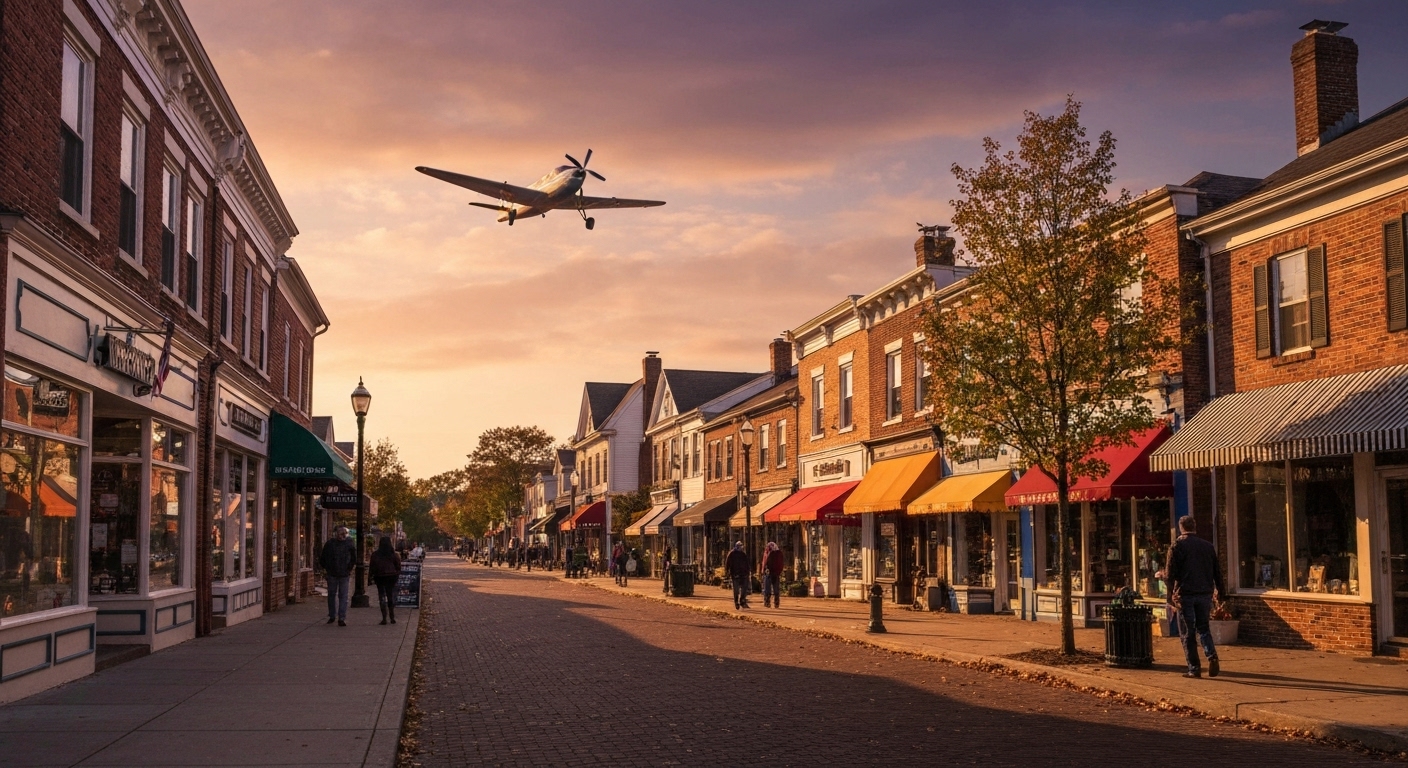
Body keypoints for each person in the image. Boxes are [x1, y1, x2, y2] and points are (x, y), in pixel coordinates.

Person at [1167, 515, 1226, 679]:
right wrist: (1221, 591)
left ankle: (1194, 668)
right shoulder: (1208, 547)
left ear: (1181, 527)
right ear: (1195, 527)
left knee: (1187, 632)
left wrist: (1170, 596)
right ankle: (1211, 655)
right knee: (1204, 628)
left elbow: (1170, 574)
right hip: (1204, 594)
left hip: (1185, 594)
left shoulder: (1177, 546)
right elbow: (1217, 572)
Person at [320, 526, 356, 626]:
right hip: (333, 573)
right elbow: (323, 557)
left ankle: (341, 617)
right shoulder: (330, 544)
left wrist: (349, 568)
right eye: (341, 533)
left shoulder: (349, 544)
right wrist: (327, 568)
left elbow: (353, 558)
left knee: (343, 596)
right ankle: (332, 615)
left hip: (344, 573)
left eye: (344, 533)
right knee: (332, 594)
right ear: (336, 534)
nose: (342, 536)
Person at [369, 536, 403, 625]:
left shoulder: (375, 555)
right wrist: (396, 574)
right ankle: (392, 616)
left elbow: (372, 567)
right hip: (391, 576)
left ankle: (384, 617)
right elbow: (398, 566)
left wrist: (371, 577)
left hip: (379, 577)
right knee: (390, 595)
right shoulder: (394, 554)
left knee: (382, 596)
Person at [726, 541, 751, 609]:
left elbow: (747, 564)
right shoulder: (731, 554)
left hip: (743, 574)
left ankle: (742, 601)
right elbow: (727, 563)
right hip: (735, 574)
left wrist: (748, 572)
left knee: (744, 589)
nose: (740, 548)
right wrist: (727, 572)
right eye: (739, 546)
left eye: (741, 546)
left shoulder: (743, 554)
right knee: (736, 590)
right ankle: (736, 602)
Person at [761, 541, 784, 608]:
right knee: (776, 588)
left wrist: (763, 570)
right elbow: (781, 564)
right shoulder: (779, 553)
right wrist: (779, 571)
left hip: (769, 573)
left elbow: (765, 562)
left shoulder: (768, 552)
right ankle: (776, 603)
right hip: (776, 573)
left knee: (767, 588)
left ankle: (767, 602)